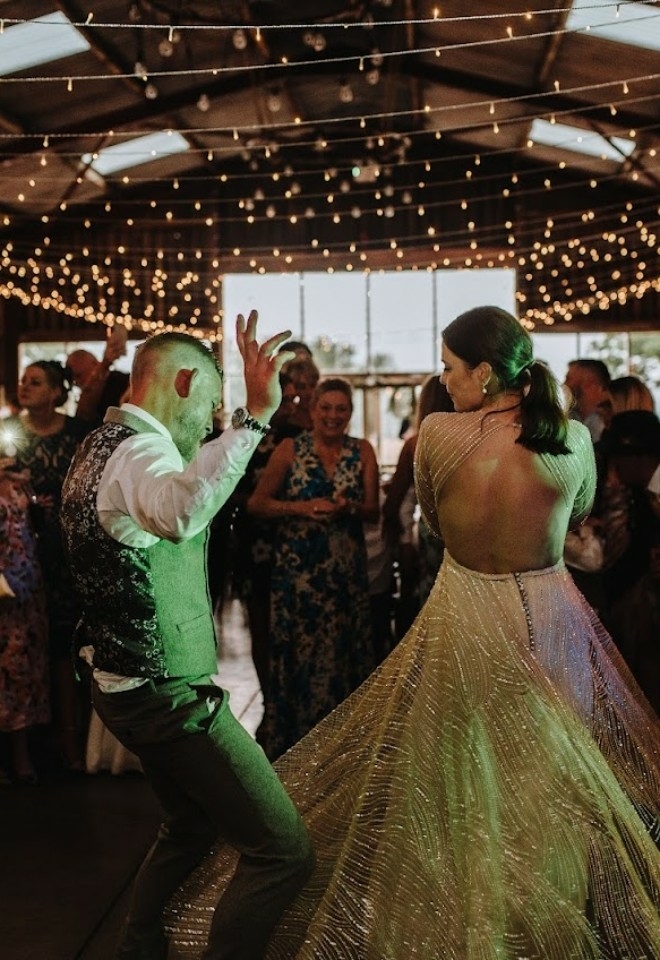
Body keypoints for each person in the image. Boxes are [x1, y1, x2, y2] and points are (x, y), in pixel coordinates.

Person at [168, 306, 660, 959]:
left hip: (463, 611)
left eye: (451, 366)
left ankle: (472, 921)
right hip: (547, 615)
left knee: (458, 773)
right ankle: (543, 918)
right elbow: (583, 510)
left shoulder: (438, 433)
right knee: (547, 772)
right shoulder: (569, 439)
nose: (444, 377)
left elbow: (431, 515)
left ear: (484, 373)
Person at [60, 313, 314, 960]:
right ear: (179, 382)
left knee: (191, 824)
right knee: (283, 850)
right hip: (165, 694)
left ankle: (138, 948)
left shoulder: (100, 443)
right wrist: (256, 419)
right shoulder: (138, 453)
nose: (210, 418)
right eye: (207, 400)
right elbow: (180, 511)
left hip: (121, 682)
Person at [247, 377, 380, 759]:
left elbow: (374, 513)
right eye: (326, 408)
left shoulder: (363, 451)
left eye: (341, 409)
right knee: (298, 657)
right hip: (298, 575)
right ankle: (294, 745)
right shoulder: (291, 449)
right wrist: (301, 508)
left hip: (344, 574)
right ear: (313, 410)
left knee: (344, 656)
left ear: (350, 413)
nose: (333, 416)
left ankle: (343, 749)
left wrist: (349, 508)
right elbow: (258, 504)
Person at [4, 360, 91, 771]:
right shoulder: (10, 432)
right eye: (23, 380)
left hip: (69, 550)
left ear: (57, 391)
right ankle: (33, 740)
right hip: (25, 550)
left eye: (35, 382)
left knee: (65, 647)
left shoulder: (76, 433)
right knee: (29, 648)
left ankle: (70, 737)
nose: (25, 386)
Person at [382, 375, 453, 636]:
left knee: (426, 599)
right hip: (463, 530)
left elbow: (396, 502)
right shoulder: (467, 443)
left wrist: (402, 540)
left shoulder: (416, 443)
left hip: (431, 530)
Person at [0, 459, 50, 784]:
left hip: (25, 583)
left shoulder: (18, 480)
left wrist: (36, 504)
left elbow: (33, 527)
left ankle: (21, 754)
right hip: (4, 584)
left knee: (23, 669)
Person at [564, 357, 611, 441]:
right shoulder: (567, 417)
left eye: (568, 379)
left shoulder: (609, 418)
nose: (564, 384)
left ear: (588, 383)